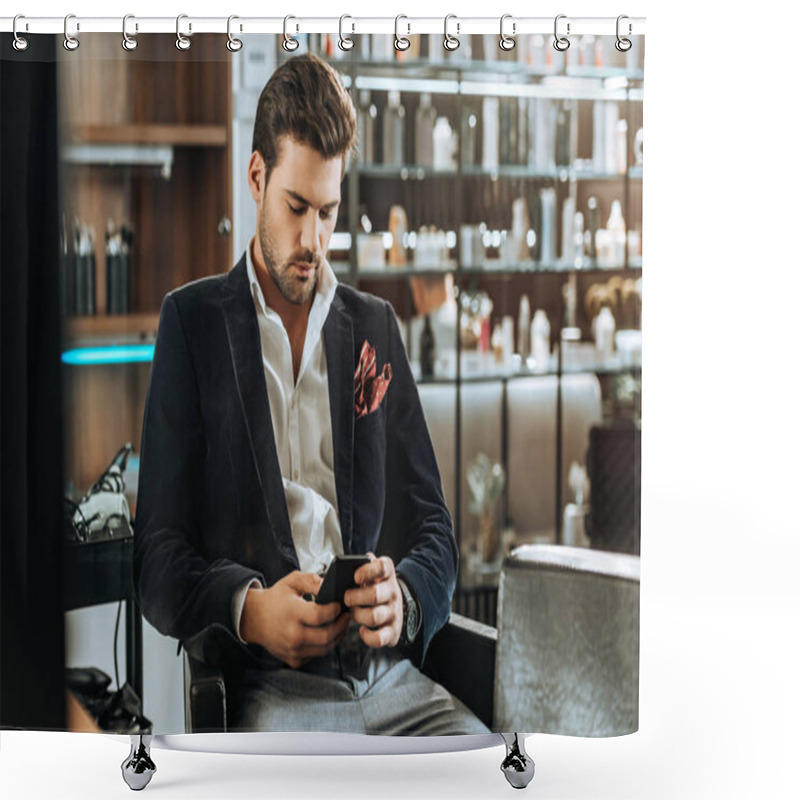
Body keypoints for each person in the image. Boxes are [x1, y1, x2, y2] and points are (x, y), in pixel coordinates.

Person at [133, 53, 488, 736]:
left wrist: (406, 599)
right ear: (257, 177)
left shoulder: (375, 328)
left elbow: (435, 529)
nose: (312, 240)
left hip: (395, 681)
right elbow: (156, 556)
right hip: (273, 692)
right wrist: (250, 608)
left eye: (328, 213)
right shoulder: (192, 325)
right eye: (297, 208)